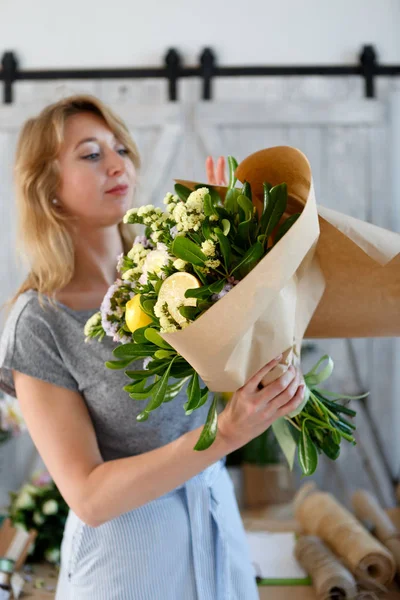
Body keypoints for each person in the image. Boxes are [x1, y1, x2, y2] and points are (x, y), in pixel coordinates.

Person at [0, 95, 305, 600]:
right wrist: (224, 434)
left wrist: (241, 248)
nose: (119, 162)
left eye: (120, 147)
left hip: (216, 528)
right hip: (126, 564)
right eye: (91, 154)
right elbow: (89, 496)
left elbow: (240, 363)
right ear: (47, 188)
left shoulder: (175, 272)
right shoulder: (40, 322)